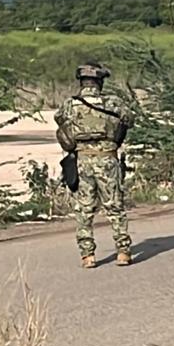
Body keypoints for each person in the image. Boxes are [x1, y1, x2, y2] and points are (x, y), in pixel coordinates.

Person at [54, 62, 136, 269]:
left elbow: (59, 120)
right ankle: (123, 251)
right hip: (107, 159)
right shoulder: (113, 103)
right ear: (100, 81)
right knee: (114, 206)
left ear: (81, 81)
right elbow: (130, 120)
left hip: (82, 160)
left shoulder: (70, 104)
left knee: (84, 209)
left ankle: (87, 255)